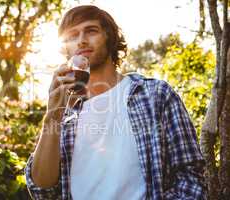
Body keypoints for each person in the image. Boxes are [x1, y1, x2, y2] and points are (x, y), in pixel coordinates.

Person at [24, 5, 207, 200]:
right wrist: (52, 114)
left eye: (91, 31)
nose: (81, 40)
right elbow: (42, 189)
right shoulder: (65, 116)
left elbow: (190, 178)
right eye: (72, 35)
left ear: (110, 38)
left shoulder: (156, 95)